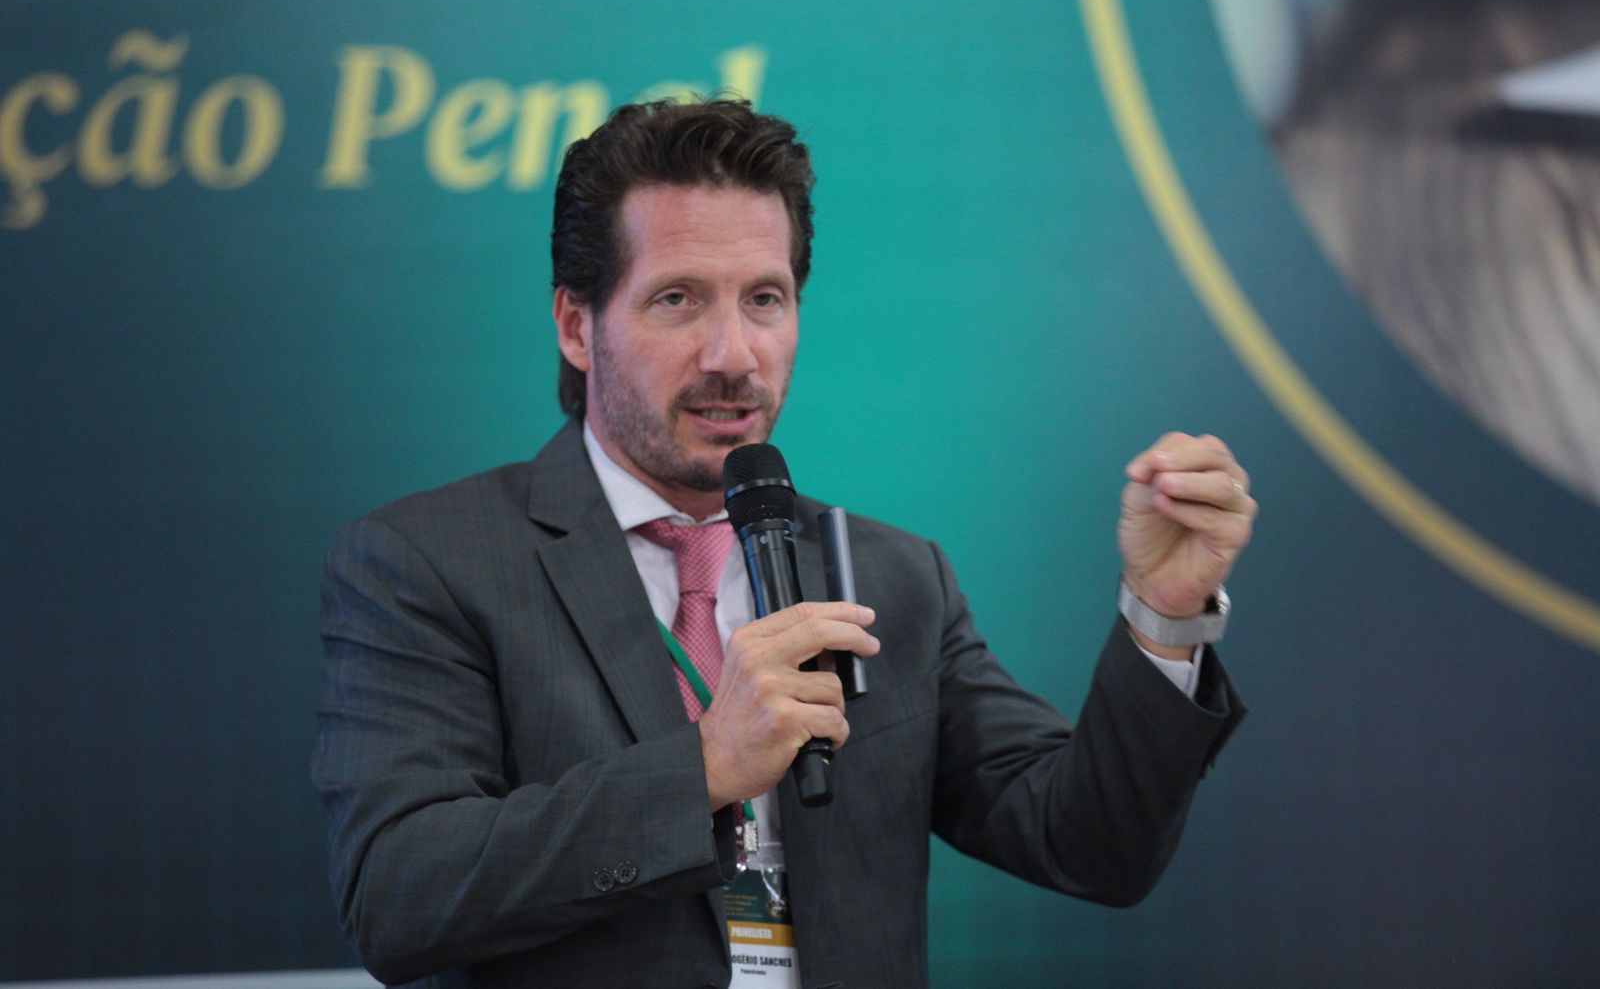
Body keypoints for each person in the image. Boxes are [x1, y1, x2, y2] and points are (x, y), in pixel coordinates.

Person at [313, 99, 1255, 988]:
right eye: (678, 299)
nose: (733, 354)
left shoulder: (891, 577)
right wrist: (705, 767)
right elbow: (400, 894)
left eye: (764, 298)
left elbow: (1091, 844)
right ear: (577, 326)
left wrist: (1163, 616)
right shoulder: (432, 562)